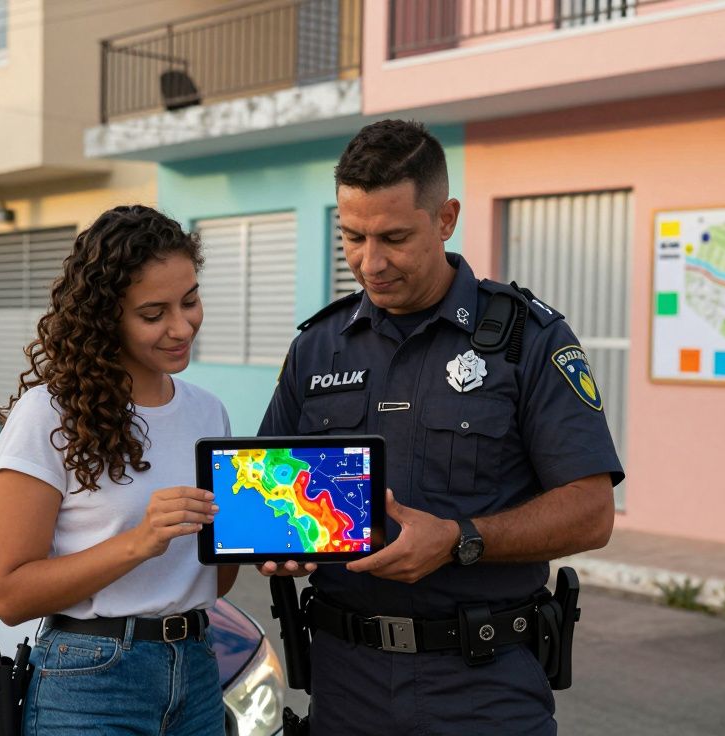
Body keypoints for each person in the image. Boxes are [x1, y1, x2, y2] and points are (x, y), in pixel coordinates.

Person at [258, 120, 624, 735]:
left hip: (482, 686)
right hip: (345, 684)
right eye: (352, 237)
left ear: (446, 217)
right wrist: (282, 543)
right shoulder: (319, 347)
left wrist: (460, 538)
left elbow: (592, 513)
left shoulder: (527, 340)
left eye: (394, 237)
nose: (370, 263)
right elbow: (269, 490)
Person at [0, 205, 236, 735]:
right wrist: (139, 540)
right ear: (107, 317)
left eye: (190, 301)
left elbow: (214, 578)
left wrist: (271, 542)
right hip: (91, 679)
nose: (180, 326)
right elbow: (10, 596)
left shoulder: (208, 411)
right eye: (153, 313)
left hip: (196, 666)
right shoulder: (48, 413)